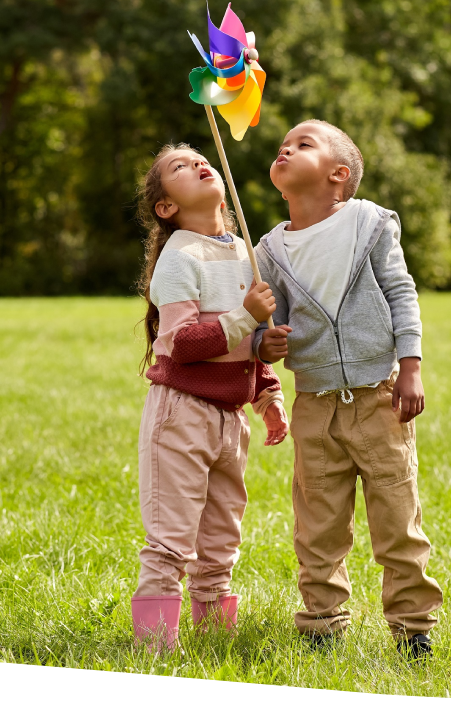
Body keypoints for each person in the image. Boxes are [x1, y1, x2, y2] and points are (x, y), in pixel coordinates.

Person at [253, 120, 443, 660]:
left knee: (396, 518)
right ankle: (321, 624)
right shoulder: (268, 249)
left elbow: (401, 293)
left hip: (377, 397)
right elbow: (270, 327)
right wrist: (266, 342)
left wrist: (411, 365)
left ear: (339, 176)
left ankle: (413, 628)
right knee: (317, 524)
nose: (286, 148)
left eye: (303, 143)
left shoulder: (370, 223)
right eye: (282, 145)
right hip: (315, 406)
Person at [131, 142, 289, 652]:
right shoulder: (179, 255)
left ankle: (215, 641)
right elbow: (179, 344)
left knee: (221, 541)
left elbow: (249, 344)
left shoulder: (243, 251)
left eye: (201, 158)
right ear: (166, 207)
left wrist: (267, 392)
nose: (199, 163)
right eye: (180, 166)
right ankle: (155, 648)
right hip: (183, 413)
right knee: (172, 540)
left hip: (229, 419)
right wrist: (245, 316)